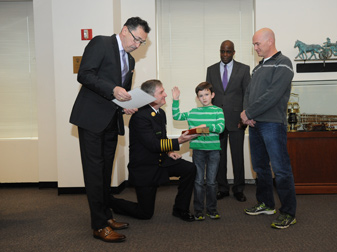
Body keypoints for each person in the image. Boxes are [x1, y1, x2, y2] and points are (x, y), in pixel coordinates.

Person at [69, 17, 151, 242]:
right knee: (95, 174)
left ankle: (106, 216)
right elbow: (84, 74)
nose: (137, 45)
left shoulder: (130, 60)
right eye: (136, 39)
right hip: (91, 119)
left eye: (142, 43)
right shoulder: (101, 43)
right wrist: (113, 89)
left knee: (105, 173)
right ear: (125, 30)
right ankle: (98, 226)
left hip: (111, 121)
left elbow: (120, 93)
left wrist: (125, 106)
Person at [110, 79, 198, 222]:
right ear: (150, 97)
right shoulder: (139, 117)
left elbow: (162, 138)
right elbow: (153, 145)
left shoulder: (160, 113)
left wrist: (169, 152)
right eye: (161, 92)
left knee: (189, 169)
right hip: (145, 169)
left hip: (161, 162)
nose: (165, 95)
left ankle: (180, 209)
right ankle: (111, 202)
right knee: (145, 213)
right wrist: (180, 140)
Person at [240, 28, 297, 229]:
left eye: (257, 44)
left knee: (281, 170)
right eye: (254, 44)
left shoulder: (284, 63)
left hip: (272, 124)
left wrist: (250, 112)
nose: (255, 48)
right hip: (255, 124)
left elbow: (273, 95)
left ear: (270, 41)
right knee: (260, 168)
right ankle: (266, 204)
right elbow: (248, 93)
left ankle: (289, 212)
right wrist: (247, 113)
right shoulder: (258, 68)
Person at [172, 82, 225, 221]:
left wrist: (204, 126)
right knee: (198, 181)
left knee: (212, 182)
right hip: (198, 151)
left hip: (213, 151)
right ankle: (199, 210)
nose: (204, 98)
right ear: (197, 98)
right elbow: (177, 116)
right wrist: (175, 100)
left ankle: (212, 209)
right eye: (200, 96)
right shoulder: (193, 112)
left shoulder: (218, 111)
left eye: (206, 94)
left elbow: (220, 128)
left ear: (212, 95)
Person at [206, 40, 251, 202]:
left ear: (233, 52)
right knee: (219, 156)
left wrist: (244, 117)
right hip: (217, 120)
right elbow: (207, 96)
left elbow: (247, 94)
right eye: (222, 51)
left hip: (237, 120)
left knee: (237, 156)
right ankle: (222, 188)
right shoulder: (211, 70)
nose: (225, 55)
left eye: (228, 52)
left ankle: (239, 189)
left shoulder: (244, 69)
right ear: (220, 51)